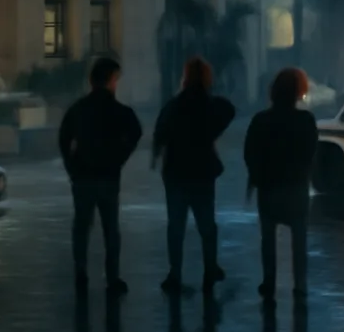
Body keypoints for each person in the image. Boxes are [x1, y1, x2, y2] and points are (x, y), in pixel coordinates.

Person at [59, 56, 143, 294]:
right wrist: (120, 157)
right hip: (108, 176)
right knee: (110, 228)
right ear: (111, 80)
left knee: (82, 227)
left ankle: (81, 272)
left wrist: (71, 166)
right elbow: (136, 132)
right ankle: (112, 277)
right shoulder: (119, 111)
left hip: (83, 176)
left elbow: (64, 138)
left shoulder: (78, 109)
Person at [152, 56, 235, 293]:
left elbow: (161, 132)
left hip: (176, 171)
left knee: (175, 225)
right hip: (202, 171)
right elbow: (228, 110)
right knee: (207, 223)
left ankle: (175, 273)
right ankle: (210, 267)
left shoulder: (174, 105)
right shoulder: (210, 105)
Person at [243, 67, 318, 306]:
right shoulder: (306, 121)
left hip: (269, 187)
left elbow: (250, 153)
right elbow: (310, 152)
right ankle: (300, 284)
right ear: (298, 92)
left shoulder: (261, 120)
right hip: (296, 187)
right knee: (299, 238)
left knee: (268, 238)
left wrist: (256, 176)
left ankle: (269, 282)